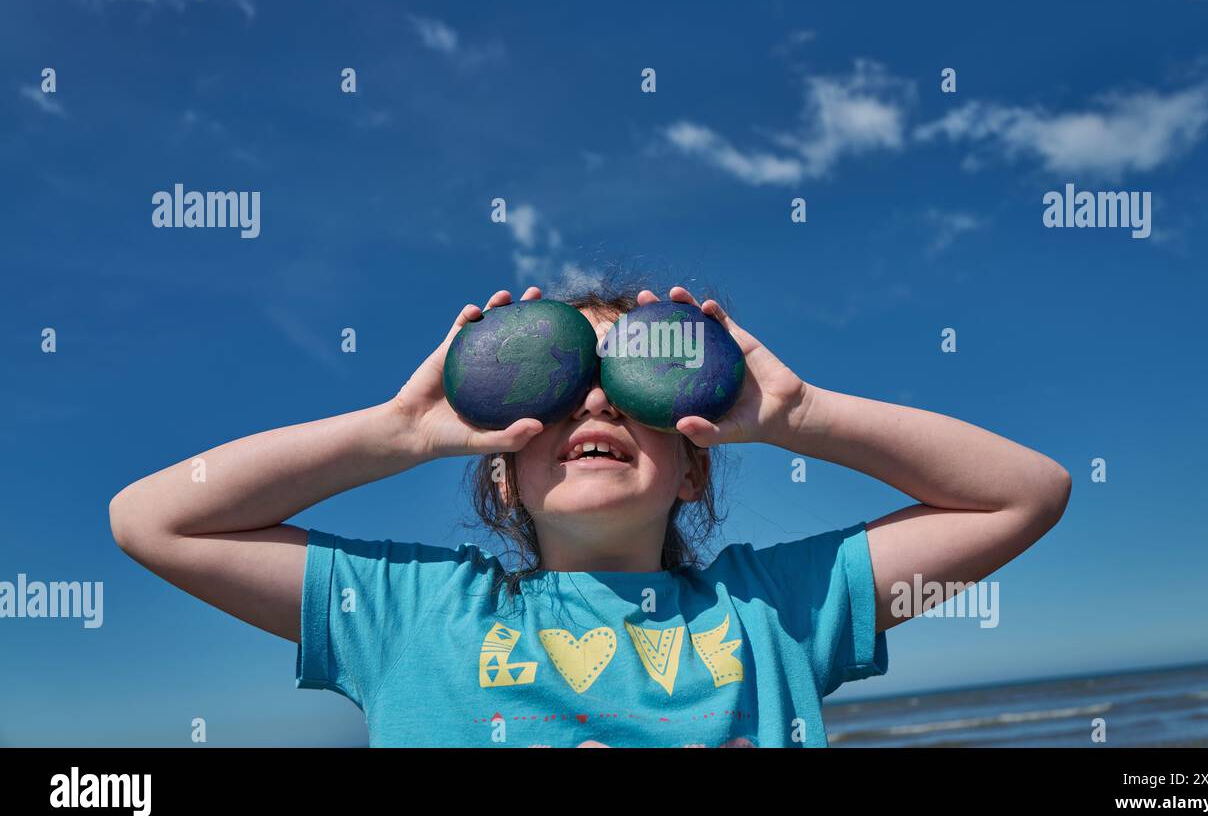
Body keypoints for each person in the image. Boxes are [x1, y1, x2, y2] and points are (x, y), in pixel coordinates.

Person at [108, 281, 1071, 747]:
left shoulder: (770, 612)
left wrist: (798, 414)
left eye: (633, 390)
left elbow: (1025, 491)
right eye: (556, 394)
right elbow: (155, 519)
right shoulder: (413, 615)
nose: (597, 407)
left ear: (694, 472)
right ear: (498, 473)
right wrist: (394, 431)